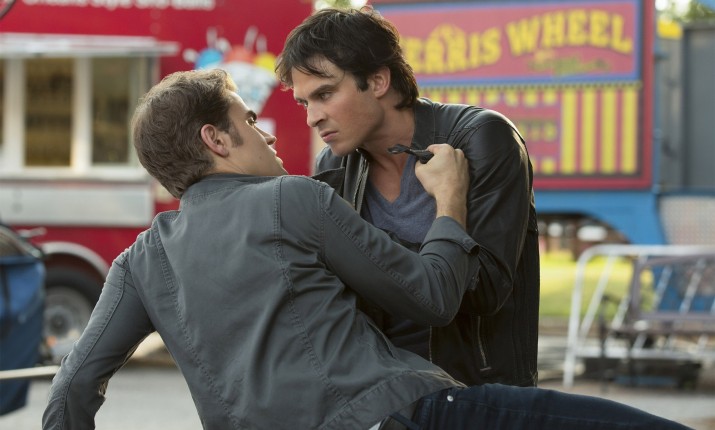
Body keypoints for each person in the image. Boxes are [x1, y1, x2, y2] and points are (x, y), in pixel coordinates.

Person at [42, 69, 688, 430]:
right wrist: (449, 201)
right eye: (249, 120)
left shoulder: (139, 261)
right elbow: (433, 297)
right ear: (216, 139)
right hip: (401, 415)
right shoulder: (295, 198)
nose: (269, 133)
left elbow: (70, 392)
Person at [276, 7, 540, 388]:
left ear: (378, 81)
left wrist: (364, 251)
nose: (312, 118)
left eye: (325, 94)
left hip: (477, 390)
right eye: (305, 103)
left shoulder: (482, 139)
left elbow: (485, 291)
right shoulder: (334, 165)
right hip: (385, 395)